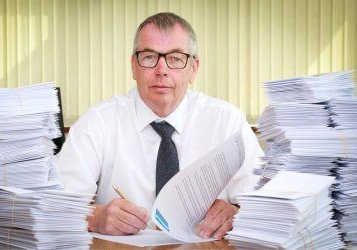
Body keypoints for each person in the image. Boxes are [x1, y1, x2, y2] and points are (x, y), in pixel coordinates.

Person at [58, 12, 262, 240]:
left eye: (175, 58)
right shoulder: (97, 122)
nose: (162, 70)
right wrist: (94, 216)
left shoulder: (228, 122)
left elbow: (266, 206)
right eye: (148, 57)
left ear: (193, 69)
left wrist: (236, 213)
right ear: (134, 66)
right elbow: (56, 206)